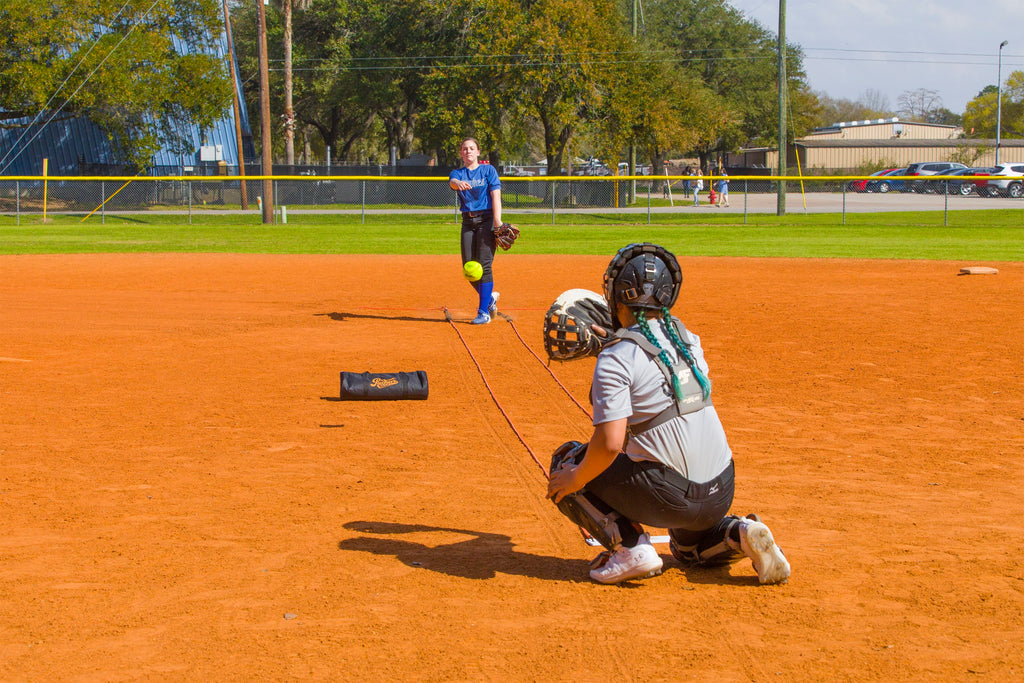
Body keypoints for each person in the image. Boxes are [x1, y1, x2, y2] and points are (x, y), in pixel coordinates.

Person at [547, 243, 791, 585]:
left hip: (669, 496)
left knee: (567, 461)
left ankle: (631, 549)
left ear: (615, 294)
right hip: (721, 489)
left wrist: (575, 478)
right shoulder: (688, 339)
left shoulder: (616, 358)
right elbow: (654, 374)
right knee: (687, 549)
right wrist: (618, 344)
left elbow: (611, 443)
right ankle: (739, 532)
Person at [449, 137, 502, 324]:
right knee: (469, 269)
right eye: (464, 149)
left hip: (487, 220)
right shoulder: (458, 173)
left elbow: (496, 195)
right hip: (467, 222)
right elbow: (453, 182)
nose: (468, 151)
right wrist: (456, 183)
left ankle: (483, 313)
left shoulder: (488, 170)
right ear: (461, 153)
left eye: (472, 148)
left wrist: (498, 221)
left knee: (485, 266)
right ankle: (490, 299)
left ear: (478, 152)